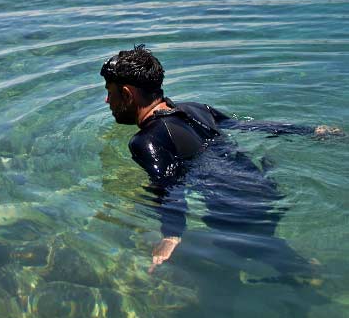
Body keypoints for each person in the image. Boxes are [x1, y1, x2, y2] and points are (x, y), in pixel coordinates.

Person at [100, 45, 342, 273]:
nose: (107, 101)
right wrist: (310, 131)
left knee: (249, 256)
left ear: (127, 93)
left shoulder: (145, 141)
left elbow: (169, 187)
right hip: (261, 183)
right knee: (268, 249)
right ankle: (307, 268)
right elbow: (250, 127)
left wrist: (171, 234)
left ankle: (310, 271)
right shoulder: (196, 108)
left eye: (110, 92)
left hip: (231, 204)